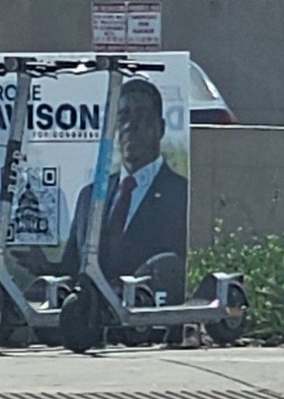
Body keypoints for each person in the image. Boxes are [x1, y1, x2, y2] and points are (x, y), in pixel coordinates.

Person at [15, 77, 187, 287]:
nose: (131, 125)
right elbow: (73, 270)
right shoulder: (89, 196)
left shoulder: (181, 195)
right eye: (123, 116)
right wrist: (46, 268)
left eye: (141, 115)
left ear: (160, 128)